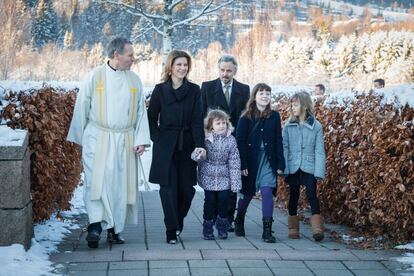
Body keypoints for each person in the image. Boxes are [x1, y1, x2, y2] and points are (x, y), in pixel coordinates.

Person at [67, 37, 151, 248]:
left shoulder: (134, 80)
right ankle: (95, 225)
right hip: (99, 137)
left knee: (120, 185)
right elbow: (82, 106)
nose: (134, 59)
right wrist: (80, 137)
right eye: (130, 55)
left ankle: (115, 229)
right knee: (97, 182)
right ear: (117, 55)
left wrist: (141, 140)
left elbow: (141, 113)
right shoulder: (95, 77)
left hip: (124, 138)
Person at [147, 50, 205, 244]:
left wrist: (200, 145)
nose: (182, 68)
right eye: (179, 64)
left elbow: (198, 120)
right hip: (166, 146)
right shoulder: (159, 90)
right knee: (168, 189)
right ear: (170, 67)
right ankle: (171, 229)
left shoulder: (195, 90)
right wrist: (158, 139)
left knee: (187, 190)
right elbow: (151, 118)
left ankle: (178, 219)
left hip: (187, 145)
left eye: (185, 65)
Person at [200, 54, 250, 231]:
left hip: (233, 141)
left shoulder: (244, 89)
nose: (225, 74)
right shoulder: (207, 87)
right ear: (218, 69)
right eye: (222, 70)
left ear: (235, 70)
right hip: (212, 143)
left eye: (229, 70)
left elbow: (246, 117)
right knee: (213, 184)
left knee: (231, 179)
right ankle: (212, 217)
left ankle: (228, 219)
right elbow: (201, 116)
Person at [235, 83, 285, 243]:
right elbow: (240, 141)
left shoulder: (275, 116)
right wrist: (242, 165)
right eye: (261, 93)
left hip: (268, 161)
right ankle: (239, 219)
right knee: (247, 194)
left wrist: (280, 163)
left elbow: (278, 139)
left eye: (268, 94)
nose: (265, 96)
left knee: (266, 192)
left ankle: (267, 231)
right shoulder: (246, 117)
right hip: (251, 161)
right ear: (254, 96)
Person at [282, 92, 326, 242]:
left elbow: (319, 151)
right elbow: (285, 147)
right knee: (293, 196)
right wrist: (284, 167)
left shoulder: (316, 126)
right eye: (292, 104)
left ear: (305, 106)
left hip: (309, 166)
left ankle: (317, 229)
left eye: (296, 104)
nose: (292, 107)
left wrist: (319, 171)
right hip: (293, 166)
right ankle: (293, 228)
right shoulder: (288, 125)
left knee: (312, 195)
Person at [193, 110, 241, 240]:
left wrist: (235, 182)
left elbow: (234, 161)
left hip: (224, 176)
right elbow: (196, 155)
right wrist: (198, 155)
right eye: (218, 123)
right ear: (210, 125)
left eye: (224, 123)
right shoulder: (206, 139)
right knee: (210, 201)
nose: (221, 125)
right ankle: (207, 228)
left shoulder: (231, 140)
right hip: (208, 175)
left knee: (224, 200)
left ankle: (222, 227)